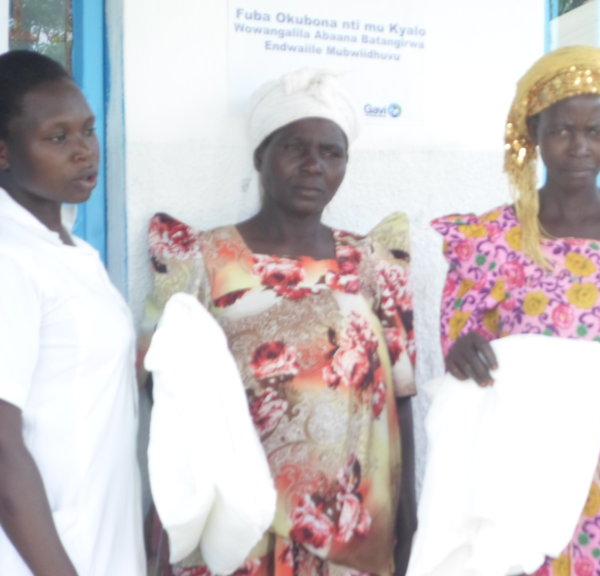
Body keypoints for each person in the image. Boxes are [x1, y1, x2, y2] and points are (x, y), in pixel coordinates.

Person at [432, 45, 600, 575]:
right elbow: (460, 346)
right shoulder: (492, 239)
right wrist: (462, 351)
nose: (580, 147)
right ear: (534, 135)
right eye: (561, 131)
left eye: (595, 132)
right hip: (535, 495)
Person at [142, 68, 417, 576]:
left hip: (352, 538)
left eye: (331, 153)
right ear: (260, 157)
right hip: (238, 530)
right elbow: (165, 401)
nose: (314, 166)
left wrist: (412, 524)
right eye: (295, 147)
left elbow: (400, 401)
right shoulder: (202, 259)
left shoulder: (374, 262)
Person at [0, 50, 146, 575]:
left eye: (87, 130)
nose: (84, 151)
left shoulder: (71, 252)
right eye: (57, 138)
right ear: (3, 152)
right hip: (41, 557)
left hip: (101, 545)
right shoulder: (9, 258)